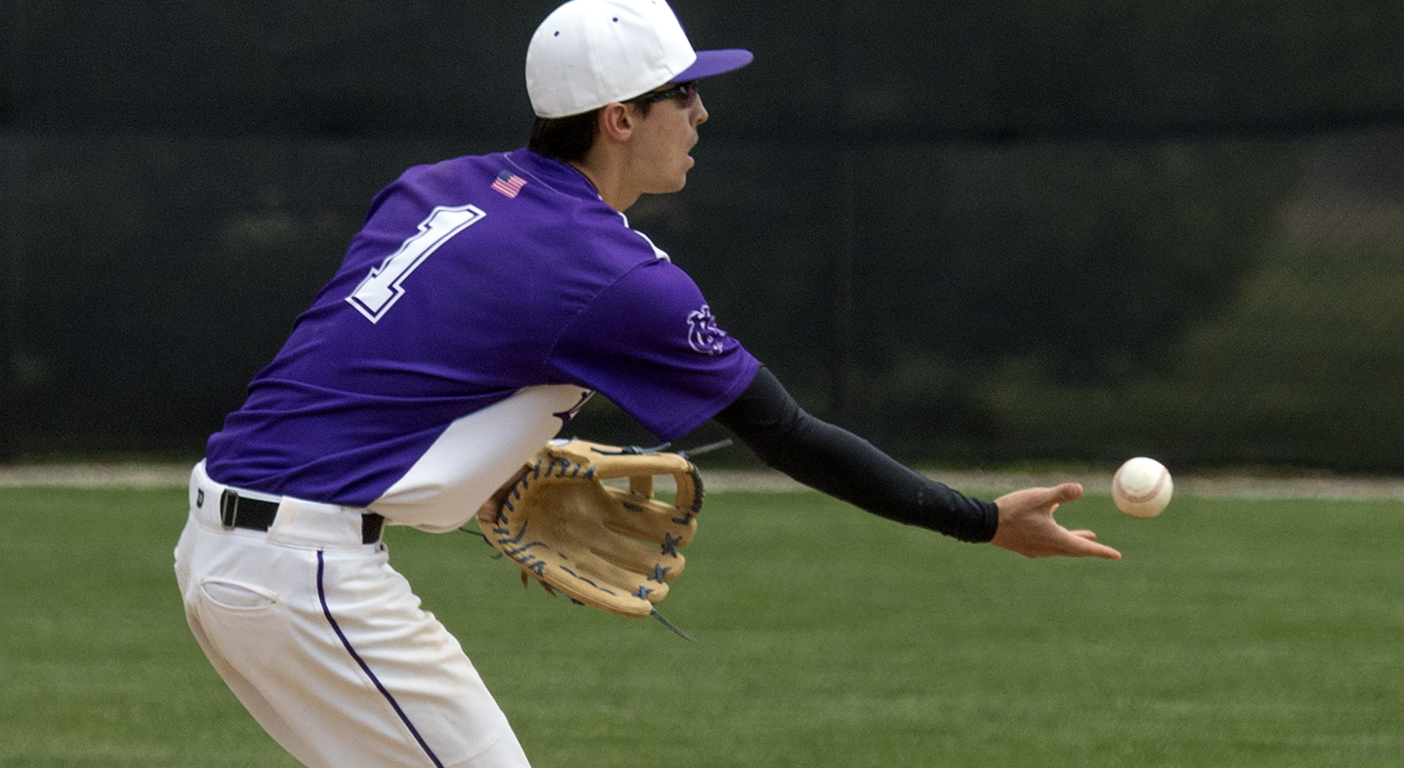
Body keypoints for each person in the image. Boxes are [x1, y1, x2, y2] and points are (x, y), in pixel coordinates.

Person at [173, 1, 1122, 766]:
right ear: (619, 118)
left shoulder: (437, 187)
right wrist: (982, 520)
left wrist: (503, 464)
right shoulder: (617, 278)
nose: (702, 113)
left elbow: (373, 371)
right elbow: (786, 433)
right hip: (305, 577)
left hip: (235, 544)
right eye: (682, 94)